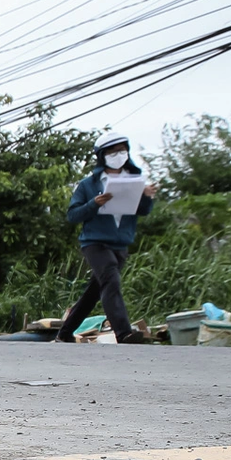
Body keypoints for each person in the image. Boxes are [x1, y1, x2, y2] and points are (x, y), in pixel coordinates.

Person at [57, 132, 155, 343]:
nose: (118, 155)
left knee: (95, 291)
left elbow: (143, 211)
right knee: (111, 278)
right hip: (95, 242)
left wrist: (147, 196)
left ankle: (64, 333)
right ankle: (124, 332)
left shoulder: (135, 181)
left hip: (120, 243)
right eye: (112, 151)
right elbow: (73, 215)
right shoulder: (88, 184)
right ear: (102, 156)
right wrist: (95, 203)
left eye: (121, 150)